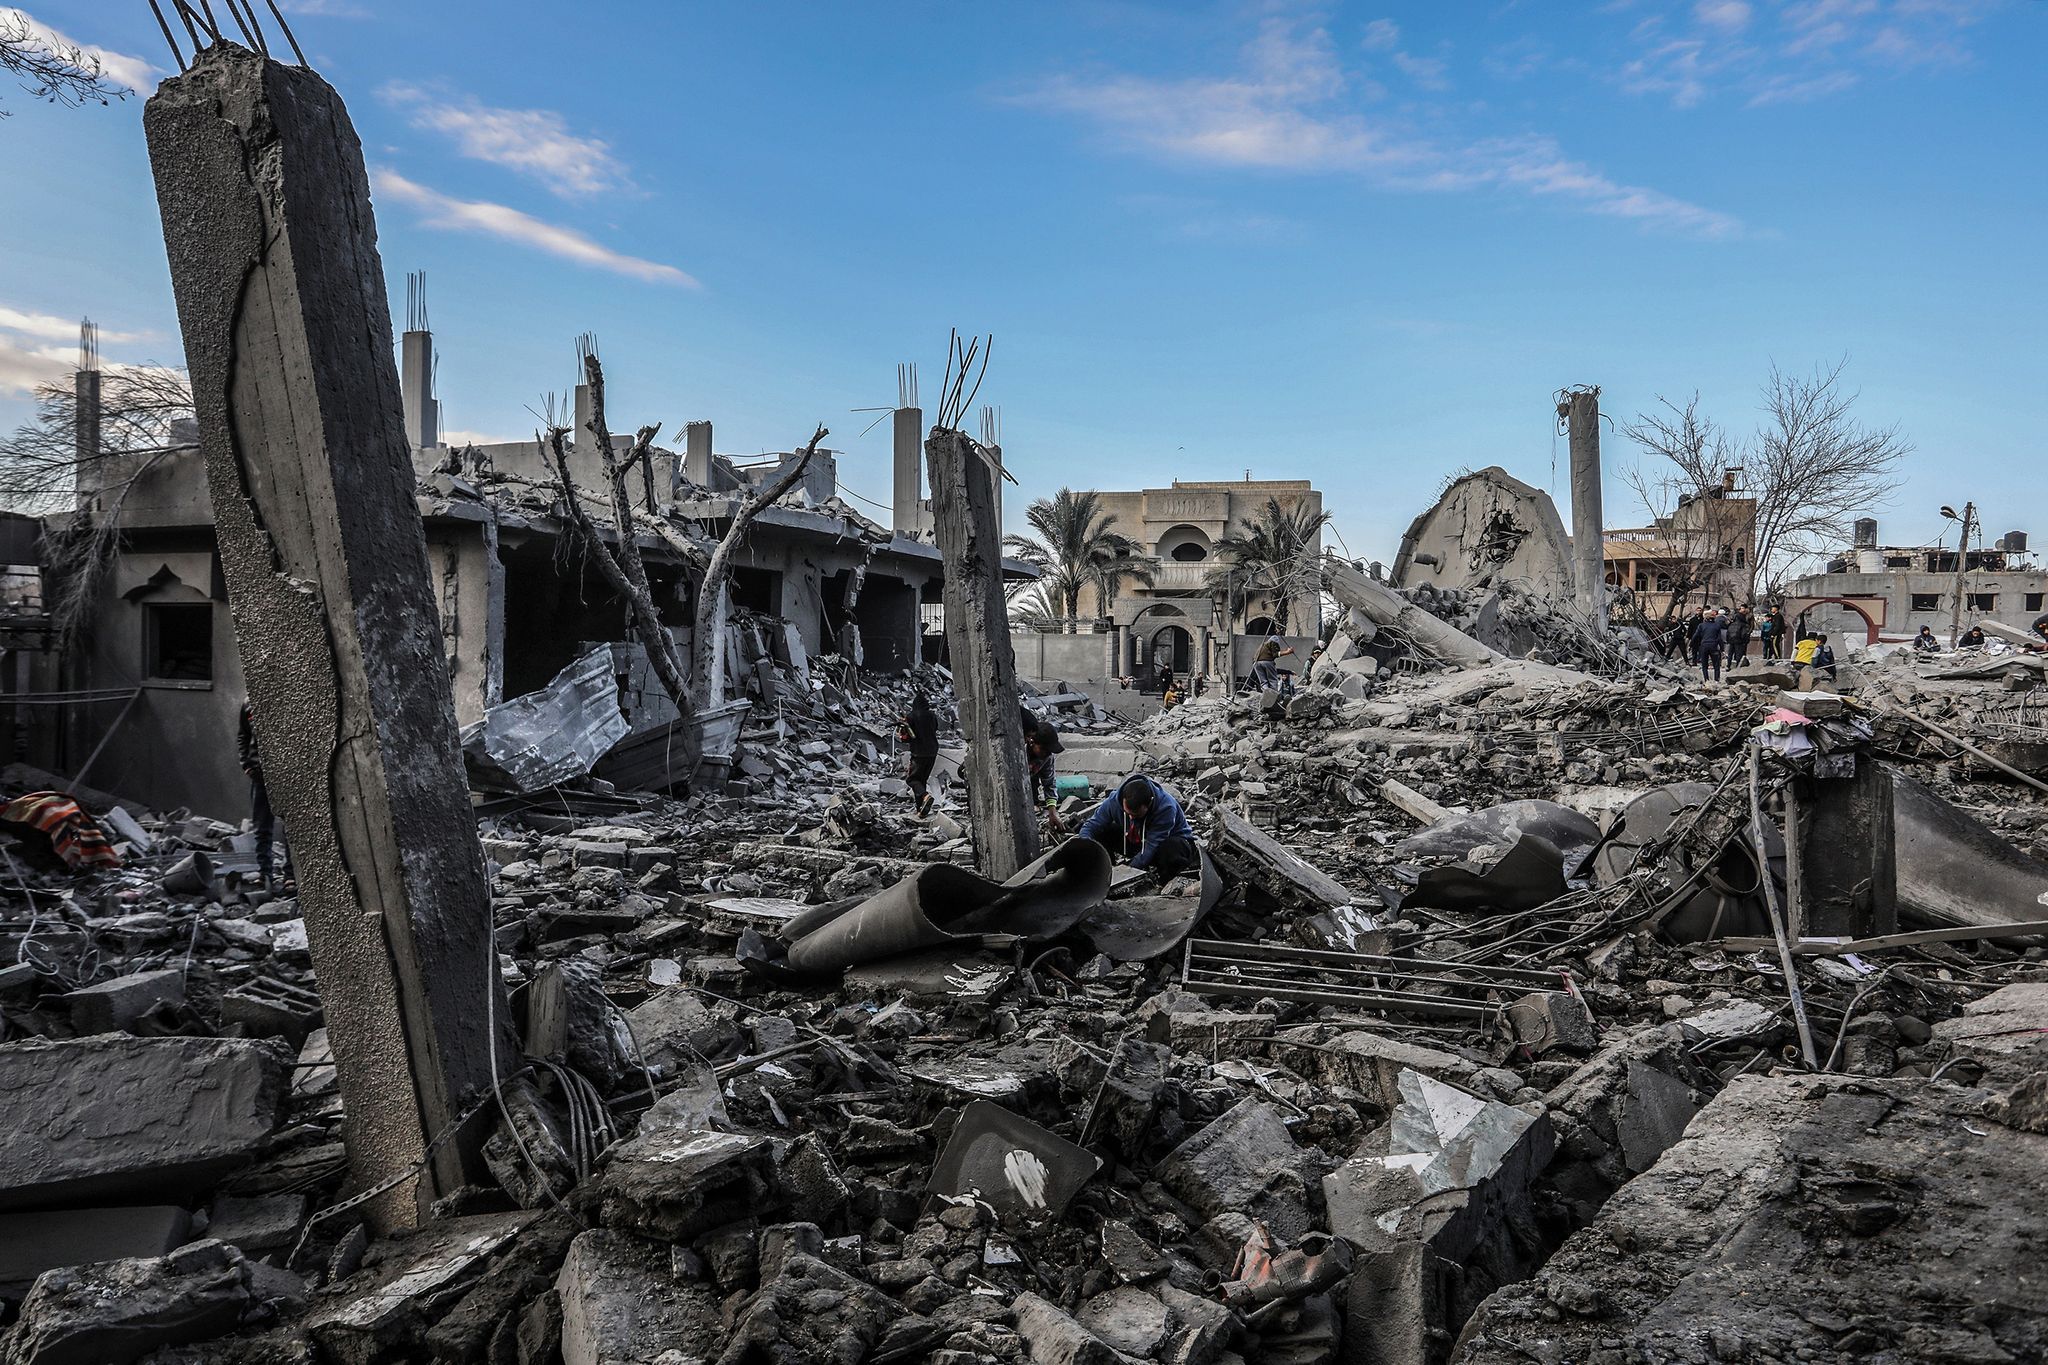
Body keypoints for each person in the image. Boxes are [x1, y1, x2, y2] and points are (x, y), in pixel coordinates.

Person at [1077, 774, 1199, 880]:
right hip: (1137, 839)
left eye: (1135, 815)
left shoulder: (1166, 807)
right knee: (1102, 831)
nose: (1130, 818)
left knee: (1170, 848)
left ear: (1149, 803)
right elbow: (1091, 825)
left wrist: (1127, 872)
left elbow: (1151, 846)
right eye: (1127, 814)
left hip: (1168, 845)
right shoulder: (1114, 800)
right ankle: (1106, 872)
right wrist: (1084, 845)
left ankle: (1165, 884)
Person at [238, 701, 292, 892]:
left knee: (291, 826)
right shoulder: (247, 704)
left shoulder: (282, 698)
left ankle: (290, 875)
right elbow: (243, 735)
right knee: (262, 826)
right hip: (259, 775)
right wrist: (246, 764)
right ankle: (264, 874)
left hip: (285, 773)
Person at [899, 691, 940, 817]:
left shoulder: (911, 717)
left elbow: (905, 738)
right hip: (932, 752)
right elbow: (935, 729)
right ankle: (920, 810)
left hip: (919, 754)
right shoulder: (932, 716)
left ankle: (925, 796)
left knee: (912, 779)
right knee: (921, 780)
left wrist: (902, 730)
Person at [1691, 609, 1728, 682]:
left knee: (1704, 665)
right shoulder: (1717, 626)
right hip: (1714, 646)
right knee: (1716, 666)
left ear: (1705, 618)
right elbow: (1719, 638)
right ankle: (1716, 680)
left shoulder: (1701, 625)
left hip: (1704, 646)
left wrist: (1691, 644)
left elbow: (1695, 636)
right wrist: (1722, 649)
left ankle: (1706, 680)